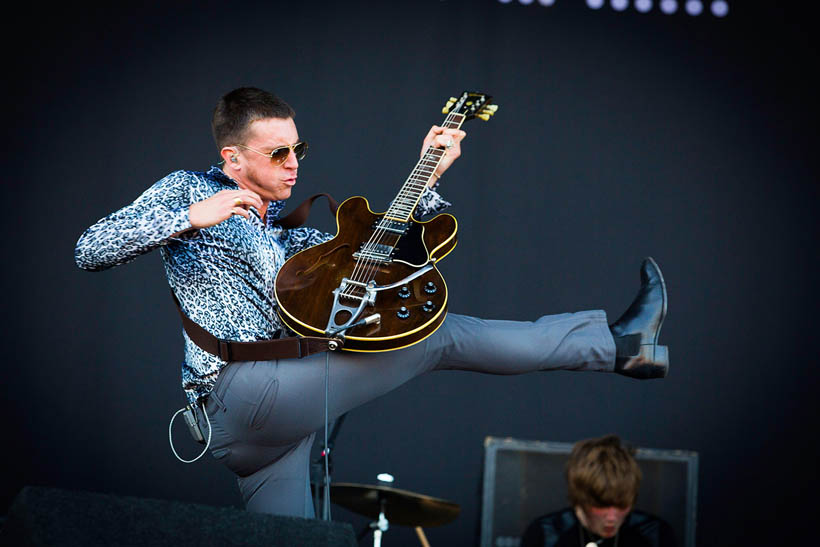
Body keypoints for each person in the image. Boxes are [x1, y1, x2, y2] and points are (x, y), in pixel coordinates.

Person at [75, 87, 670, 518]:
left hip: (273, 432)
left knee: (288, 539)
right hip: (241, 390)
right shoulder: (187, 191)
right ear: (232, 158)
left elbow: (397, 257)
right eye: (276, 153)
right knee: (440, 338)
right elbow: (89, 249)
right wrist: (187, 217)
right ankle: (617, 345)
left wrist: (429, 176)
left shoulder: (294, 235)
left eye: (297, 148)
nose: (294, 163)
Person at [521, 435, 677, 547]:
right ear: (581, 499)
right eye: (601, 506)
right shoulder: (547, 534)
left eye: (622, 506)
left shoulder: (653, 534)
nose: (612, 517)